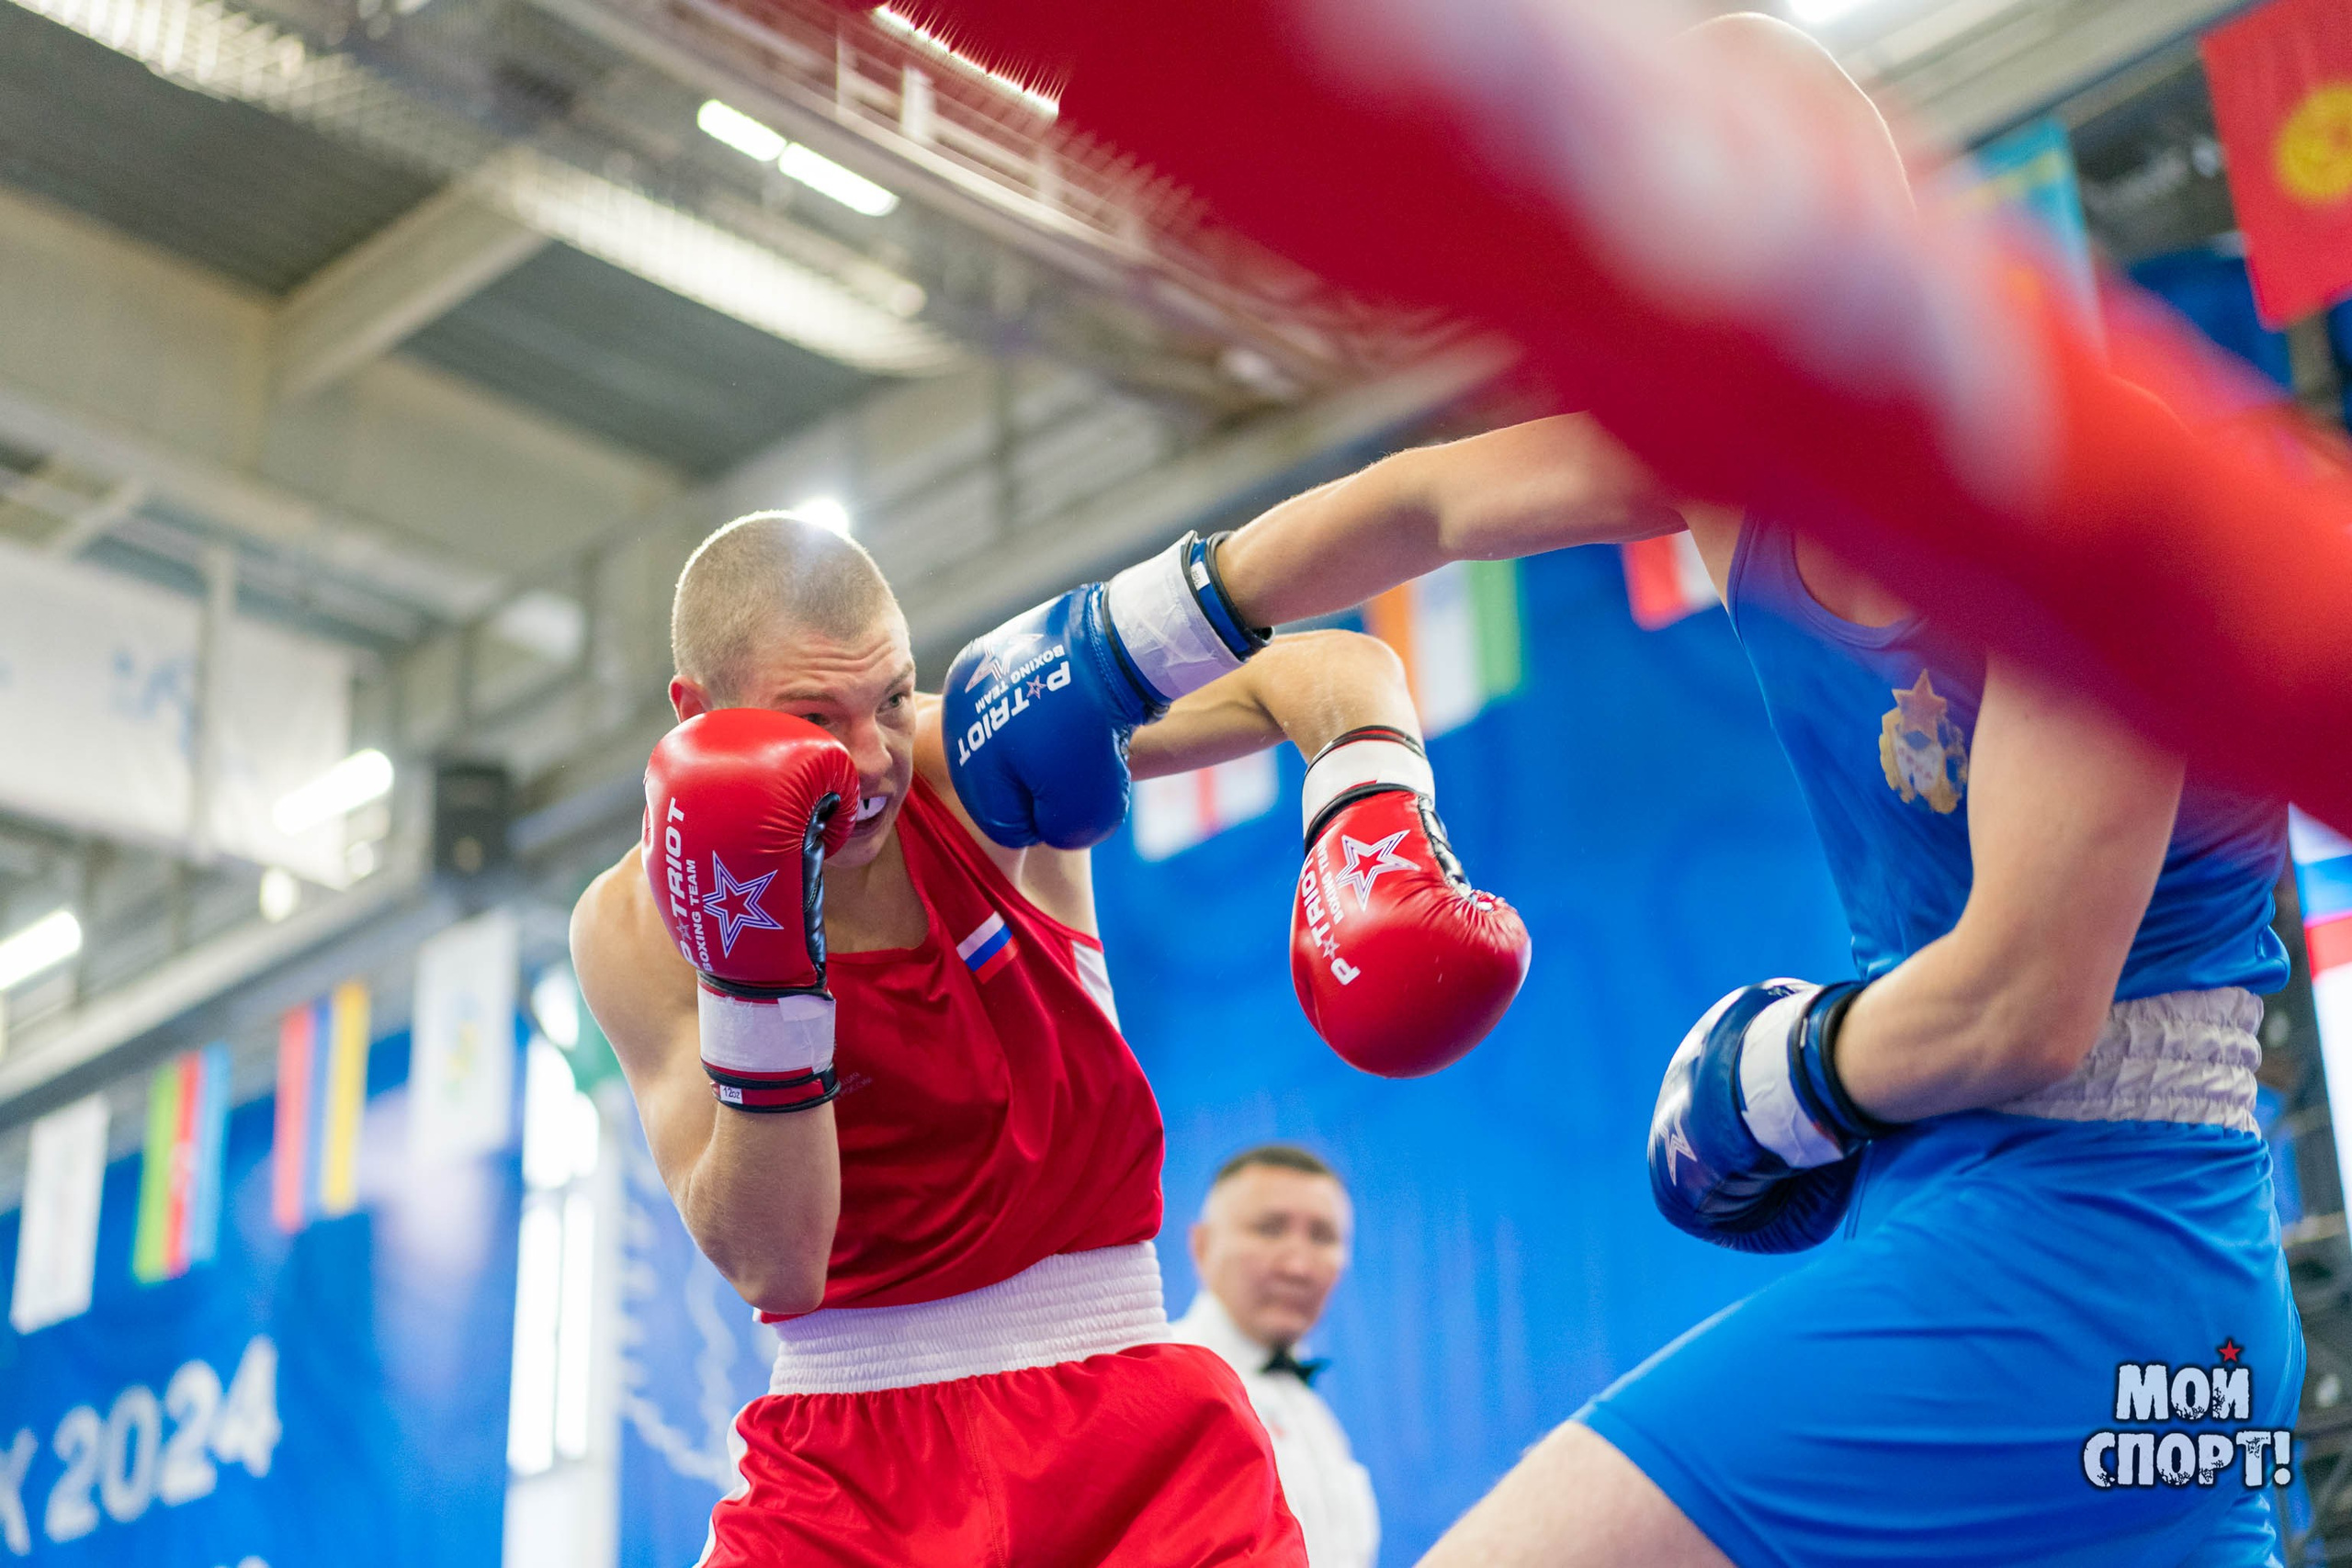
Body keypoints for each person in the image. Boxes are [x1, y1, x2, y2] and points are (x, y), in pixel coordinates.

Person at [965, 26, 2304, 1567]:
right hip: (2048, 1257)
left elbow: (2020, 1008)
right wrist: (1131, 639)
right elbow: (1427, 500)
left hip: (2092, 1246)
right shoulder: (1743, 458)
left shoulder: (2072, 494)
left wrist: (1776, 1069)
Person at [569, 511, 1522, 1565]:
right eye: (812, 716)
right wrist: (757, 976)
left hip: (1123, 1418)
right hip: (844, 1467)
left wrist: (1368, 792)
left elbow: (1337, 631)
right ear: (699, 714)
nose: (869, 757)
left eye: (888, 698)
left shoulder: (963, 760)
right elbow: (776, 1270)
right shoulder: (636, 923)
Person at [1173, 1145, 1379, 1568]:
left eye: (1322, 1236)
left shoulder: (1315, 1416)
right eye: (1269, 1229)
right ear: (1202, 1246)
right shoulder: (1162, 1393)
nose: (1298, 1266)